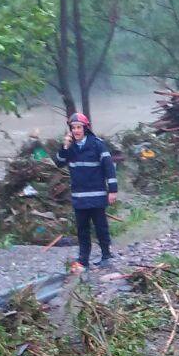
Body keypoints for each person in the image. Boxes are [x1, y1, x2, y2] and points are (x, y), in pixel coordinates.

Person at [54, 112, 118, 269]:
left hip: (97, 195)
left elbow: (109, 168)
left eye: (79, 127)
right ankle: (83, 259)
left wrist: (113, 190)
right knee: (82, 230)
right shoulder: (70, 147)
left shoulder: (97, 145)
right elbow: (59, 163)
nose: (76, 131)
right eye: (73, 128)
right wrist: (64, 147)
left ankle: (106, 255)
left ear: (85, 128)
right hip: (79, 197)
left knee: (101, 227)